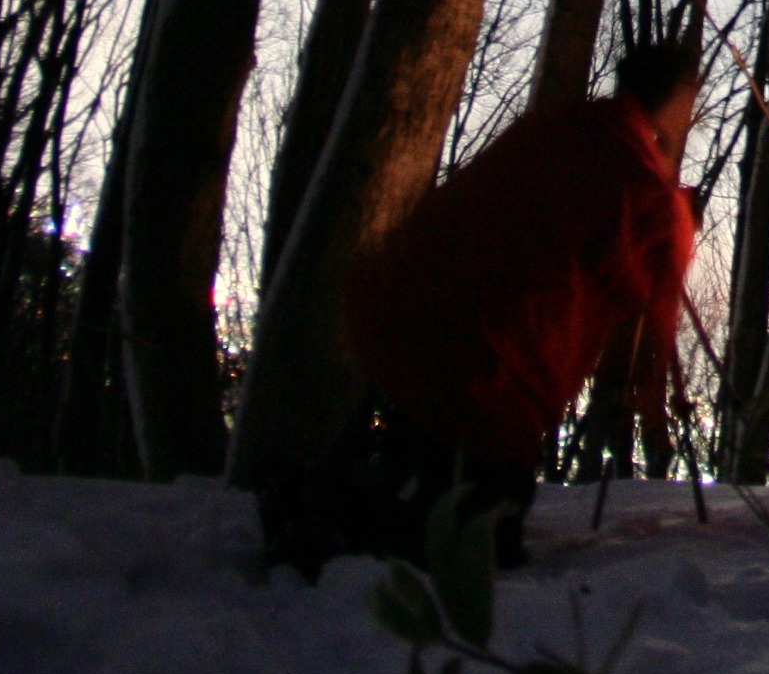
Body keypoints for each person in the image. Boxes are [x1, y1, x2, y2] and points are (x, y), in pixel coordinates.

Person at [262, 36, 701, 573]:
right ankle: (332, 526)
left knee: (429, 456)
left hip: (398, 316)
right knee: (483, 544)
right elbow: (653, 310)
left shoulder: (561, 127)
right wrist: (655, 416)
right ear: (677, 102)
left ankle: (340, 500)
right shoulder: (636, 184)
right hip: (484, 373)